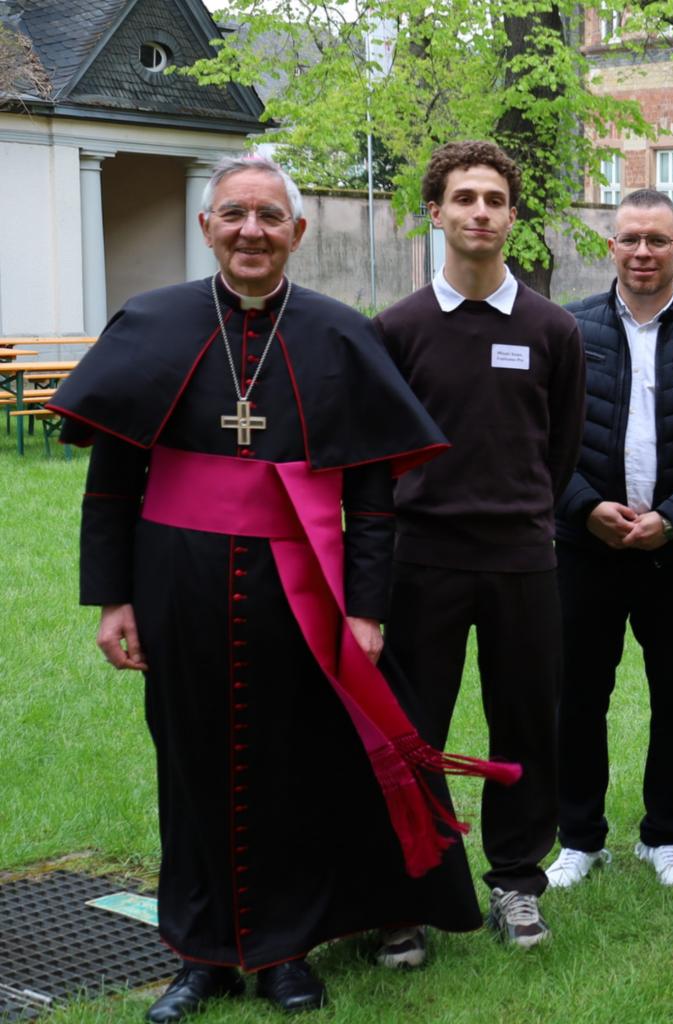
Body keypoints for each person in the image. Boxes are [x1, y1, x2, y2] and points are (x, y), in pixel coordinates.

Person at [49, 154, 505, 1021]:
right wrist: (113, 601)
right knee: (189, 768)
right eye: (234, 215)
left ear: (296, 232)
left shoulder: (340, 335)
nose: (250, 231)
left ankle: (287, 954)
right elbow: (112, 479)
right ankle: (200, 956)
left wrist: (367, 611)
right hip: (175, 585)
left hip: (301, 592)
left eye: (268, 217)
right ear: (207, 226)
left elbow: (374, 493)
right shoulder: (149, 324)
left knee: (295, 765)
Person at [376, 140, 585, 948]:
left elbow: (559, 448)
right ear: (435, 212)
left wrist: (522, 510)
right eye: (464, 198)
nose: (480, 212)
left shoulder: (552, 328)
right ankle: (409, 893)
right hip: (420, 559)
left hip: (522, 559)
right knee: (412, 730)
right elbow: (378, 454)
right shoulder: (395, 329)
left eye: (494, 199)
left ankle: (516, 882)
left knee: (526, 723)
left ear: (512, 214)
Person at [543, 189, 673, 892]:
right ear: (612, 247)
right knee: (577, 693)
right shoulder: (565, 331)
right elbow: (541, 440)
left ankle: (666, 836)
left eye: (657, 240)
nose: (642, 252)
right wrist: (584, 508)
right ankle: (579, 838)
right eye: (630, 239)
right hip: (584, 547)